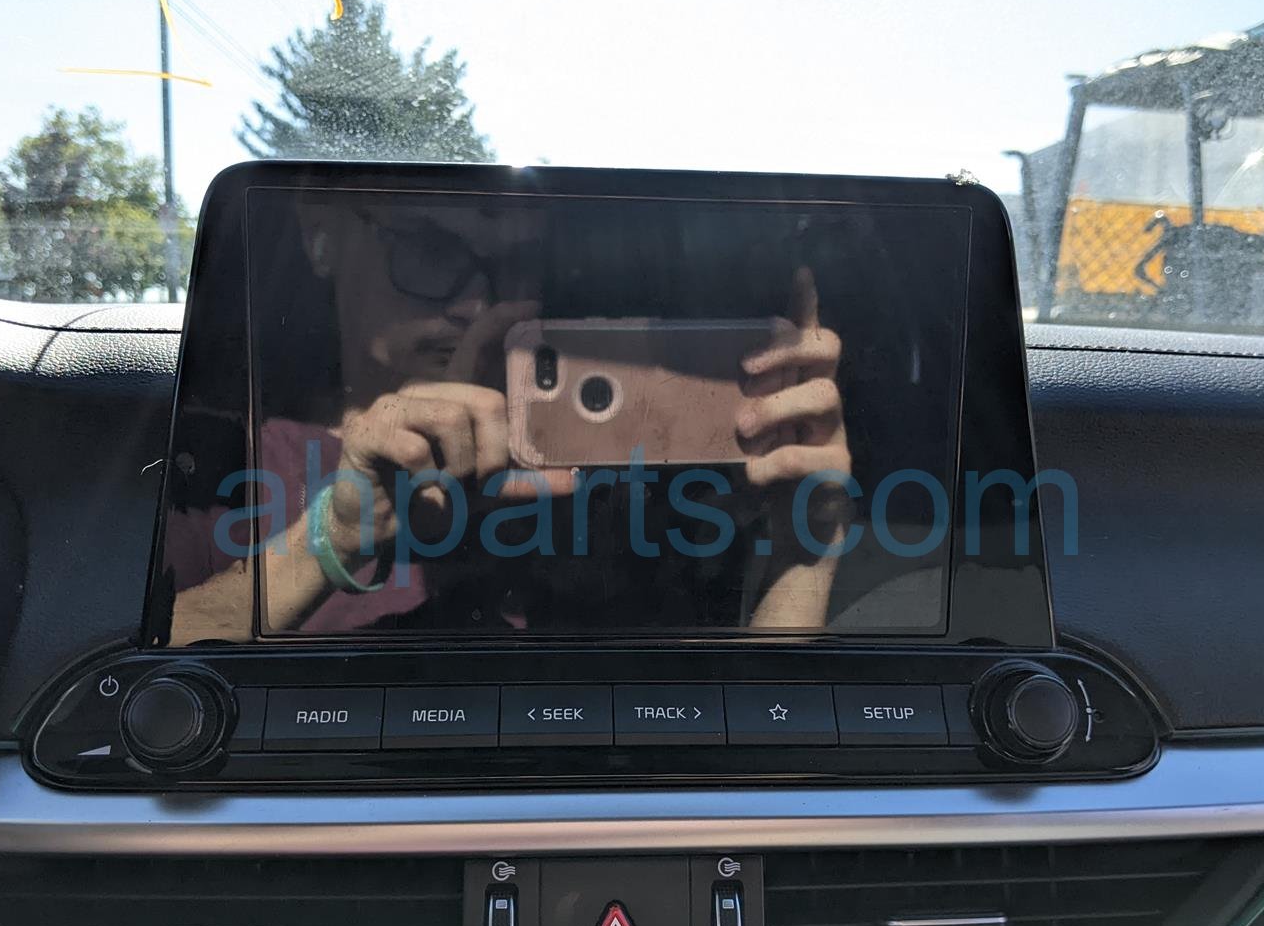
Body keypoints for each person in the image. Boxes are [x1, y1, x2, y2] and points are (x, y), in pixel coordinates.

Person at [169, 197, 852, 642]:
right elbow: (137, 669)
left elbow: (744, 740)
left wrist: (807, 546)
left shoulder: (615, 475)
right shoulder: (224, 468)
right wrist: (336, 535)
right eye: (432, 251)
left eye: (518, 264)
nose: (478, 304)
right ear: (321, 230)